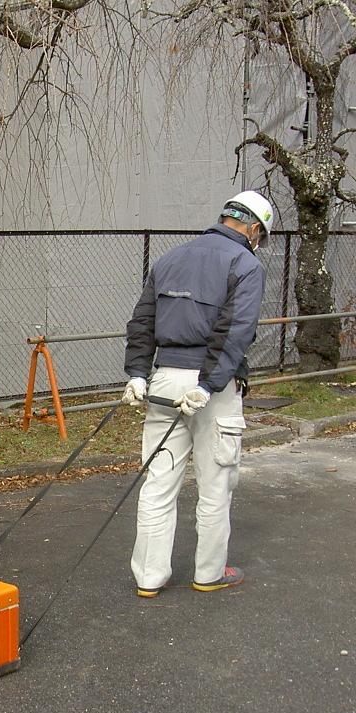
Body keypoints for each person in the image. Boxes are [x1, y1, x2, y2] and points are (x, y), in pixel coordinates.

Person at [121, 190, 272, 598]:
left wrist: (137, 373)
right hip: (213, 389)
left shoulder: (170, 258)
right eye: (261, 236)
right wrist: (208, 385)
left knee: (158, 481)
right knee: (215, 483)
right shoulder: (245, 263)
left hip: (165, 379)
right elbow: (234, 333)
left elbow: (142, 321)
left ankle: (149, 578)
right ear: (254, 229)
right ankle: (208, 573)